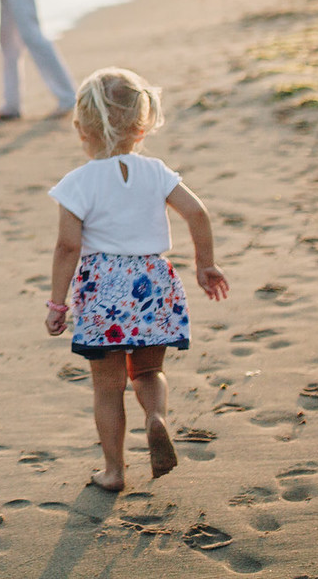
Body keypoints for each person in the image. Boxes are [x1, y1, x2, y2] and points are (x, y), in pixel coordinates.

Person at [44, 67, 229, 492]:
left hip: (103, 291)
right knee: (147, 371)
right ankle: (156, 416)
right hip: (152, 281)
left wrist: (57, 304)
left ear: (81, 128)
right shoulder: (156, 172)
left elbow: (67, 247)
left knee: (107, 388)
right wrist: (205, 264)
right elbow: (197, 213)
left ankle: (114, 471)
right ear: (141, 128)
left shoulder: (78, 183)